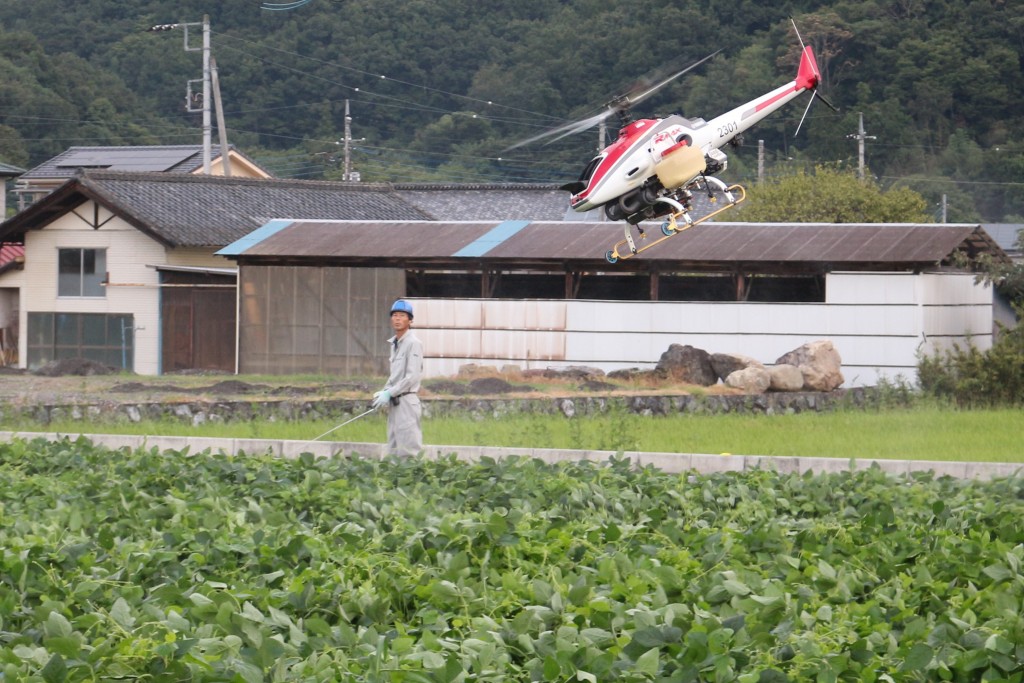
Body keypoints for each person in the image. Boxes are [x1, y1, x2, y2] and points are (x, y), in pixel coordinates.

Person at [372, 299, 423, 455]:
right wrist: (384, 391)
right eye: (394, 315)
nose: (397, 319)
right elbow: (395, 375)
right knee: (393, 447)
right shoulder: (395, 343)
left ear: (410, 320)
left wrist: (390, 393)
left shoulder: (413, 343)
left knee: (408, 449)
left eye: (402, 315)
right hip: (395, 402)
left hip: (406, 401)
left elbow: (412, 376)